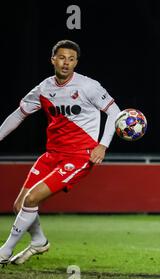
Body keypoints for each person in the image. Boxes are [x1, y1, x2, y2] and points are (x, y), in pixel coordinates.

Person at [0, 40, 121, 265]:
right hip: (51, 154)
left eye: (71, 59)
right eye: (62, 58)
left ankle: (4, 252)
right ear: (53, 60)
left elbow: (115, 112)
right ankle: (38, 241)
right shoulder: (44, 88)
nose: (66, 63)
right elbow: (18, 114)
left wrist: (102, 145)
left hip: (79, 156)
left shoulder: (88, 86)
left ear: (76, 63)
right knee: (20, 205)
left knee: (32, 198)